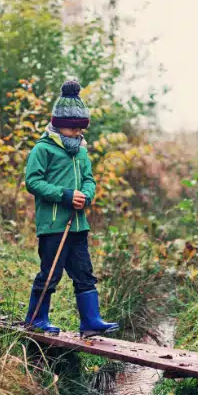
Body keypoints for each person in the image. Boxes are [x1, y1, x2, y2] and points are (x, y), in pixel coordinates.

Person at [23, 80, 119, 337]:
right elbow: (32, 182)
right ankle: (35, 319)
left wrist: (86, 196)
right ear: (57, 124)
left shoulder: (82, 152)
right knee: (51, 273)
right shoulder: (43, 149)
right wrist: (64, 195)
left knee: (84, 273)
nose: (77, 133)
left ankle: (90, 321)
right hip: (54, 224)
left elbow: (89, 180)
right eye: (72, 128)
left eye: (80, 128)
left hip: (78, 224)